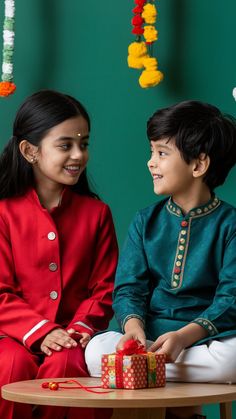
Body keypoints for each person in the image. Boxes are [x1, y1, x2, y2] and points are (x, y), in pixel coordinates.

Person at [85, 100, 236, 419]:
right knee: (95, 351)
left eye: (162, 153)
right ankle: (157, 376)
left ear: (198, 165)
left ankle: (145, 374)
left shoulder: (230, 224)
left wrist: (184, 337)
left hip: (207, 341)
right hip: (150, 340)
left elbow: (230, 298)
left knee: (232, 358)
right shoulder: (145, 221)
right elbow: (129, 289)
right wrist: (134, 328)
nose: (151, 163)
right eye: (152, 152)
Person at [0, 89, 118, 419]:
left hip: (73, 339)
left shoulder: (96, 214)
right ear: (29, 151)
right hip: (10, 337)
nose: (79, 154)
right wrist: (41, 330)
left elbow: (105, 289)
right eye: (66, 145)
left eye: (84, 144)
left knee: (67, 364)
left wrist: (81, 326)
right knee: (11, 363)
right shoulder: (4, 213)